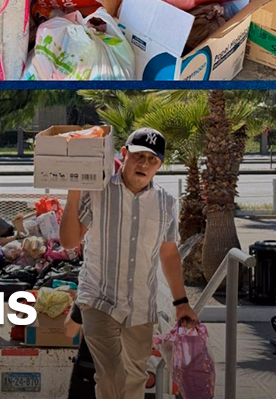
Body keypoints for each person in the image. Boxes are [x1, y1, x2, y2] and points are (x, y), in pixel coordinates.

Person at [59, 127, 198, 399]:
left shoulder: (166, 202)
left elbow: (168, 254)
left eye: (152, 159)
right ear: (124, 155)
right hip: (99, 300)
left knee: (135, 378)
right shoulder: (98, 192)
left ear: (159, 165)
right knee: (110, 376)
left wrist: (182, 302)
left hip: (140, 306)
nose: (144, 164)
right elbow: (68, 241)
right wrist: (74, 190)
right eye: (138, 156)